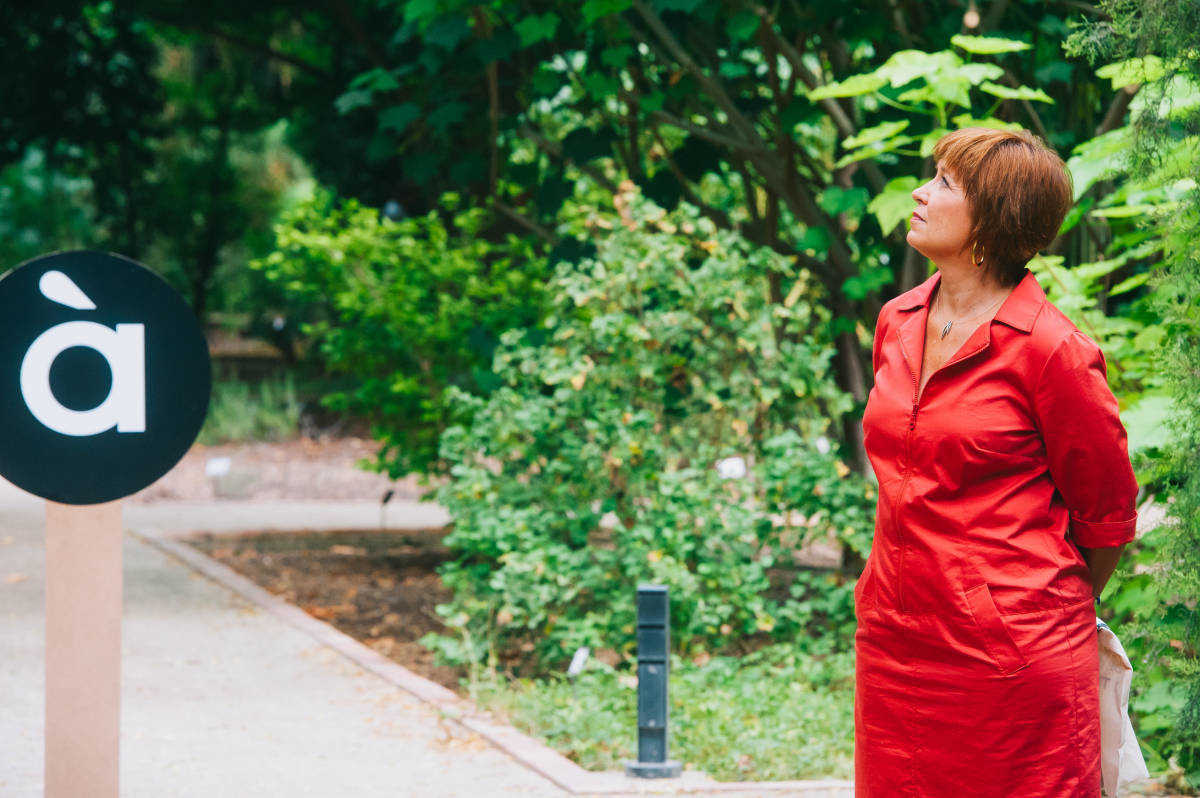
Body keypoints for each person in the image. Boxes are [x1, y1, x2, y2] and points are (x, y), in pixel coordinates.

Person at [854, 127, 1140, 796]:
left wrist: (1008, 607)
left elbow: (1107, 516)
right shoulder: (898, 320)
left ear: (993, 218)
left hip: (1013, 663)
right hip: (894, 647)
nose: (920, 193)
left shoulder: (1051, 350)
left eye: (945, 183)